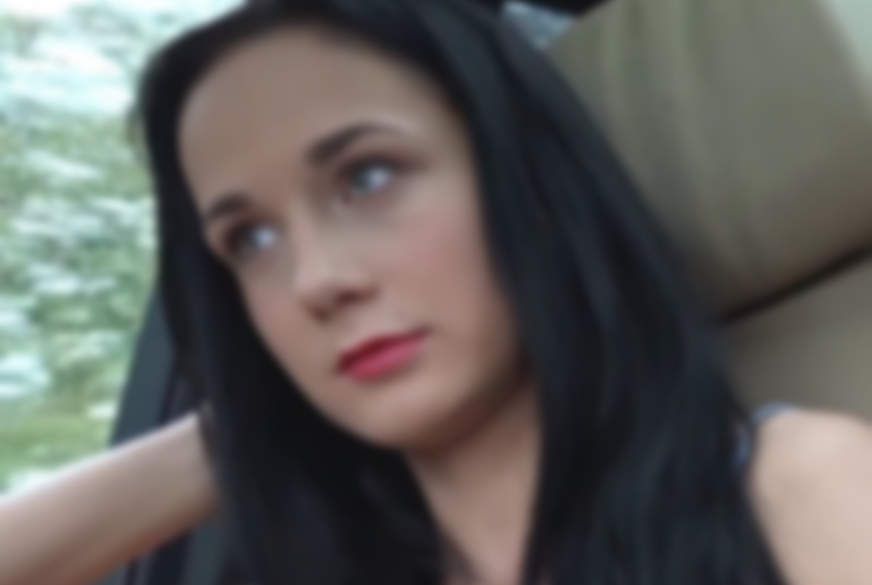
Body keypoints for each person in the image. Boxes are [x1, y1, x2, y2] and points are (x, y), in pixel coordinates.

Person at [2, 1, 872, 584]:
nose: (315, 281)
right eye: (250, 240)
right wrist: (254, 416)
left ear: (523, 181)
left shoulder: (799, 486)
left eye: (368, 176)